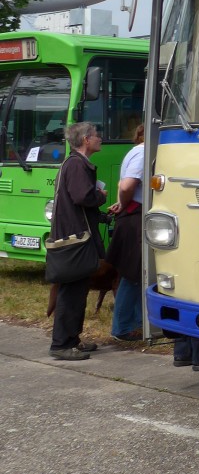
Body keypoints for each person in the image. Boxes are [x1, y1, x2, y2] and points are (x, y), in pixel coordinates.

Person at [47, 122, 107, 361]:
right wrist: (100, 196)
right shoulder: (76, 164)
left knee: (77, 292)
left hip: (76, 237)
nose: (100, 139)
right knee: (71, 294)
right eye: (96, 135)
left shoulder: (74, 163)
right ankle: (61, 344)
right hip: (75, 240)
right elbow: (83, 197)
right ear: (85, 140)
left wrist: (102, 215)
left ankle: (72, 340)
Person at [106, 123, 144, 341]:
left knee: (136, 273)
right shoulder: (143, 153)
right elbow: (127, 186)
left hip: (131, 215)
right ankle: (121, 327)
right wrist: (125, 203)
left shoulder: (133, 152)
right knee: (133, 274)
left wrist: (121, 203)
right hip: (134, 217)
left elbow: (122, 184)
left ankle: (138, 322)